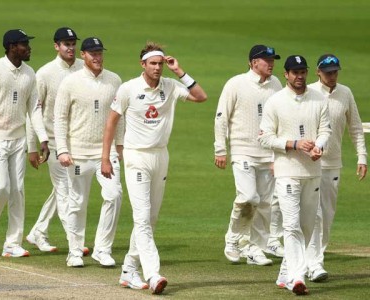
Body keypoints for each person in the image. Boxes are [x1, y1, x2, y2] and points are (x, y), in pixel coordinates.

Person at [101, 41, 207, 294]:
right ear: (143, 65)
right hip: (136, 156)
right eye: (153, 64)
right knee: (142, 216)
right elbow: (111, 123)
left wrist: (179, 71)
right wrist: (105, 158)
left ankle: (128, 269)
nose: (158, 68)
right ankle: (153, 274)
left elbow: (200, 96)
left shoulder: (170, 86)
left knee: (151, 218)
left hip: (161, 156)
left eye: (161, 63)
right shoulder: (128, 89)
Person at [0, 29, 50, 257]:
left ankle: (12, 243)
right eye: (25, 44)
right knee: (0, 187)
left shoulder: (29, 73)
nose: (29, 48)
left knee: (17, 191)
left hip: (18, 140)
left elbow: (34, 109)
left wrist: (43, 138)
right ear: (12, 46)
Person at [259, 55, 331, 295]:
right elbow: (265, 137)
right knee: (291, 225)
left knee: (308, 226)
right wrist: (294, 143)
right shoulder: (275, 102)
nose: (299, 76)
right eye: (294, 72)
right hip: (287, 172)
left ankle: (285, 274)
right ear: (286, 75)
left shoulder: (319, 99)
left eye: (303, 72)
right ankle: (297, 277)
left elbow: (325, 130)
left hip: (312, 171)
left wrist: (319, 146)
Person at [54, 37, 123, 268]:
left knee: (113, 195)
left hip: (106, 152)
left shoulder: (114, 80)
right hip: (78, 153)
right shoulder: (70, 82)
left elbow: (119, 118)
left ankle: (102, 249)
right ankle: (74, 251)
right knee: (77, 203)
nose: (97, 57)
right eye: (92, 53)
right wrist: (62, 150)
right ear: (83, 55)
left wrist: (120, 146)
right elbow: (60, 118)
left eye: (100, 52)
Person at [214, 45, 282, 266]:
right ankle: (233, 239)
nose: (271, 63)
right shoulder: (236, 84)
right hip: (243, 150)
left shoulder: (276, 85)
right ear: (254, 63)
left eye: (272, 59)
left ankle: (255, 249)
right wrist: (220, 149)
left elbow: (279, 120)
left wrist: (277, 154)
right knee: (248, 198)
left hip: (268, 154)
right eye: (266, 60)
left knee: (264, 204)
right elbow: (221, 118)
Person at [306, 54, 367, 281]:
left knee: (328, 214)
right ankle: (314, 263)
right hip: (309, 163)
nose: (332, 76)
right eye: (328, 72)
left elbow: (356, 128)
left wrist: (362, 157)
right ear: (318, 72)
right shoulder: (309, 92)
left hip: (333, 164)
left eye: (335, 72)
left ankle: (315, 257)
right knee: (315, 213)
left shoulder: (346, 93)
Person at [25, 27, 85, 253]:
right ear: (56, 46)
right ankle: (75, 242)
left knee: (65, 188)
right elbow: (33, 112)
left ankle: (38, 231)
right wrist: (33, 146)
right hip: (51, 143)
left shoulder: (83, 68)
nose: (70, 48)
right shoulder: (45, 74)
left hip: (78, 142)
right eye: (65, 44)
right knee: (65, 190)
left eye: (72, 43)